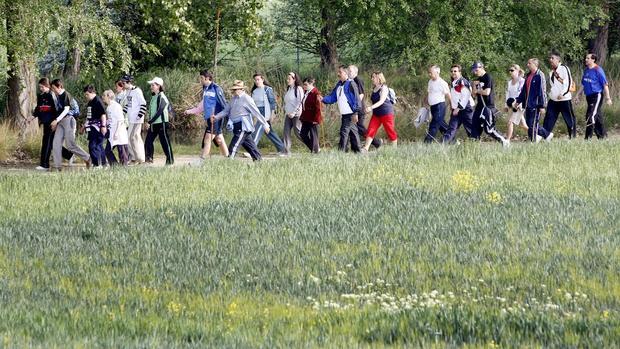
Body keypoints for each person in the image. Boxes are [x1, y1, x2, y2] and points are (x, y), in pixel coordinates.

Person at [213, 80, 271, 161]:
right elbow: (226, 111)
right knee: (251, 147)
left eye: (236, 89)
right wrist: (216, 117)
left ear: (241, 89)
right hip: (236, 126)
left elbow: (256, 112)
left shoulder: (247, 98)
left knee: (234, 146)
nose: (234, 91)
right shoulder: (233, 99)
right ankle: (259, 161)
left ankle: (229, 163)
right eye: (233, 89)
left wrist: (265, 124)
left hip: (243, 126)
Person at [185, 70, 229, 160]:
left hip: (215, 118)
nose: (200, 80)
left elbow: (225, 105)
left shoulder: (216, 88)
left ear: (207, 78)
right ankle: (229, 158)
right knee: (219, 139)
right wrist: (189, 111)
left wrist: (227, 119)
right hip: (209, 118)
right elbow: (203, 106)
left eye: (201, 78)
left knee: (207, 139)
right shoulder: (205, 88)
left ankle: (201, 161)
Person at [30, 78, 72, 170]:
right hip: (45, 122)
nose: (40, 88)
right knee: (52, 143)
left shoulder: (52, 95)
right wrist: (33, 116)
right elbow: (38, 108)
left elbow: (57, 109)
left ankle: (44, 165)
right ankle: (69, 155)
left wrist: (55, 122)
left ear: (47, 86)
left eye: (42, 87)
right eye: (40, 87)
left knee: (47, 143)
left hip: (52, 122)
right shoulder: (41, 96)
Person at [49, 79, 90, 170]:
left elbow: (66, 110)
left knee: (70, 145)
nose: (53, 90)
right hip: (61, 122)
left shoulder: (65, 95)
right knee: (56, 143)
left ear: (59, 86)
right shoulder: (58, 96)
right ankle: (57, 166)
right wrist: (56, 122)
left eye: (54, 88)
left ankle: (88, 158)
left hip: (69, 121)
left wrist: (56, 120)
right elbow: (59, 111)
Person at [322, 65, 363, 153]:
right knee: (353, 132)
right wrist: (322, 99)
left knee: (344, 131)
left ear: (345, 73)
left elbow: (357, 99)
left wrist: (355, 113)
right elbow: (333, 97)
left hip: (351, 113)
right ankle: (358, 151)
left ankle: (341, 152)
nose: (338, 74)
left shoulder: (351, 84)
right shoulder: (339, 84)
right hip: (344, 114)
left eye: (340, 72)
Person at [513, 58, 553, 143]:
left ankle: (533, 142)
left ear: (535, 64)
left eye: (529, 63)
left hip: (536, 104)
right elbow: (524, 90)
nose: (527, 65)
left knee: (533, 124)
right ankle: (547, 134)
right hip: (528, 104)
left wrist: (542, 105)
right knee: (530, 124)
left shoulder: (539, 75)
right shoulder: (528, 75)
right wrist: (518, 101)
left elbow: (542, 91)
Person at [471, 62, 510, 147]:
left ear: (481, 68)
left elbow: (487, 92)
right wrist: (474, 86)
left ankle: (503, 140)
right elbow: (473, 94)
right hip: (479, 107)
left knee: (488, 129)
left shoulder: (487, 77)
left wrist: (478, 90)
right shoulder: (478, 79)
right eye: (473, 70)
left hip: (487, 107)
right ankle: (474, 146)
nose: (475, 72)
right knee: (474, 127)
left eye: (476, 70)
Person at [575, 53, 613, 139]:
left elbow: (605, 85)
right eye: (586, 58)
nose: (586, 59)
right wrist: (577, 95)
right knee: (597, 117)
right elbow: (583, 85)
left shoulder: (598, 70)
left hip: (597, 96)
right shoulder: (586, 70)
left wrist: (608, 98)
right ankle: (603, 137)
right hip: (588, 97)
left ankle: (587, 138)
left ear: (593, 60)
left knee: (590, 116)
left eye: (588, 58)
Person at [250, 73, 285, 154]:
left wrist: (272, 115)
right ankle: (282, 148)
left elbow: (272, 103)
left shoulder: (267, 89)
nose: (257, 81)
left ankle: (252, 150)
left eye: (258, 79)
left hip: (266, 112)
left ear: (262, 79)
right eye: (255, 80)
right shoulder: (254, 91)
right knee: (269, 132)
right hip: (257, 112)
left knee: (257, 131)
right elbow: (253, 104)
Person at [544, 51, 576, 138]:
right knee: (549, 117)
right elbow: (553, 86)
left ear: (558, 59)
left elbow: (568, 82)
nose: (550, 60)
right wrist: (551, 94)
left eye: (552, 58)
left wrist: (563, 93)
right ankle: (545, 135)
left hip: (564, 99)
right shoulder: (551, 72)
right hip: (554, 100)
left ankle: (572, 136)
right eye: (550, 58)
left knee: (569, 118)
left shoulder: (564, 68)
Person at [349, 65, 381, 149]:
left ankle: (376, 142)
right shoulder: (351, 81)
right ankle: (355, 146)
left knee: (360, 128)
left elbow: (361, 94)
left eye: (350, 71)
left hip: (359, 109)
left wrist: (355, 107)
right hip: (355, 108)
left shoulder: (358, 80)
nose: (348, 72)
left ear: (356, 72)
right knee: (354, 127)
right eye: (348, 71)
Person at [364, 71, 397, 150]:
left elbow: (381, 101)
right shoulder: (374, 88)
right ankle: (365, 148)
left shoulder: (384, 88)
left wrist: (371, 107)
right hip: (376, 114)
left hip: (386, 113)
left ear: (379, 78)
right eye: (372, 77)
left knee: (390, 131)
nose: (372, 79)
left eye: (374, 77)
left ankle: (395, 149)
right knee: (371, 130)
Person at [144, 77, 174, 165]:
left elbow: (159, 111)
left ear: (159, 86)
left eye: (153, 85)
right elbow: (152, 111)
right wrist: (150, 121)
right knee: (148, 141)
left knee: (165, 143)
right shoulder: (154, 96)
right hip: (154, 124)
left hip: (162, 123)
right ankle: (149, 160)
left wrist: (149, 122)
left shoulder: (162, 97)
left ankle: (170, 161)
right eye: (151, 85)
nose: (151, 87)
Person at [443, 65, 476, 143]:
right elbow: (455, 96)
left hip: (466, 109)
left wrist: (458, 108)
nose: (453, 73)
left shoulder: (463, 81)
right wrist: (452, 106)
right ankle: (443, 145)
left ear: (460, 72)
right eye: (451, 71)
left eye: (455, 71)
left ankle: (475, 145)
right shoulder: (454, 82)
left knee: (470, 128)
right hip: (456, 110)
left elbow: (466, 96)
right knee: (451, 128)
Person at [121, 74, 147, 164]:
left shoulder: (137, 91)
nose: (122, 85)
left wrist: (139, 116)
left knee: (133, 137)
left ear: (129, 82)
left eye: (124, 83)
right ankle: (135, 158)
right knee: (130, 137)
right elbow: (128, 105)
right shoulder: (128, 91)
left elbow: (143, 104)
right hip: (131, 118)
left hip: (137, 119)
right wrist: (122, 113)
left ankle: (140, 158)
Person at [81, 85, 108, 167]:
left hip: (98, 127)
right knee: (98, 146)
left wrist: (103, 126)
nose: (86, 96)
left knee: (93, 146)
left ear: (92, 92)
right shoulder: (90, 102)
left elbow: (103, 115)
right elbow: (89, 117)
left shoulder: (98, 101)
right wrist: (83, 127)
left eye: (87, 94)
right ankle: (103, 164)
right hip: (91, 127)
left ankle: (96, 164)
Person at [102, 90, 129, 166]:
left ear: (109, 96)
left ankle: (124, 168)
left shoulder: (116, 106)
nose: (103, 97)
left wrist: (117, 132)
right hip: (111, 132)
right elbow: (110, 120)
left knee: (122, 152)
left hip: (119, 132)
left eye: (104, 96)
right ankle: (115, 166)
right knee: (107, 151)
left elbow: (120, 120)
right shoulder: (108, 107)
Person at [424, 65, 450, 143]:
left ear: (437, 72)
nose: (429, 74)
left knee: (434, 124)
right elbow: (429, 92)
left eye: (431, 72)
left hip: (440, 106)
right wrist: (426, 100)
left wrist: (452, 106)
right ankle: (452, 140)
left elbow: (448, 95)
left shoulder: (442, 83)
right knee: (441, 125)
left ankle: (427, 142)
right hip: (433, 107)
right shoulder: (430, 81)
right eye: (429, 73)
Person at [504, 64, 528, 141]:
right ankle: (538, 134)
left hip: (519, 105)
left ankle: (507, 141)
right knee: (523, 125)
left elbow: (521, 93)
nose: (510, 72)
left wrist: (517, 103)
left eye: (512, 70)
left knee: (510, 122)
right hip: (511, 105)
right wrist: (506, 106)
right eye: (509, 70)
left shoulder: (522, 81)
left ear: (517, 71)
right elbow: (507, 94)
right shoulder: (509, 82)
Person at [282, 72, 304, 155]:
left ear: (294, 79)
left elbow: (300, 102)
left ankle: (312, 145)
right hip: (288, 114)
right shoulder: (289, 89)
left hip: (297, 115)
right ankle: (286, 151)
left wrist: (294, 113)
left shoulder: (298, 89)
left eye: (289, 79)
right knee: (286, 132)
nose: (287, 80)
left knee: (298, 132)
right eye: (287, 79)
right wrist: (287, 111)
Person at [299, 77, 322, 153]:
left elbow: (319, 108)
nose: (304, 86)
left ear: (311, 84)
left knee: (313, 136)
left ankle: (315, 152)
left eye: (306, 84)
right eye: (303, 85)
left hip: (313, 119)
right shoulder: (306, 92)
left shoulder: (316, 93)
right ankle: (314, 148)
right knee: (303, 134)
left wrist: (317, 119)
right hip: (305, 118)